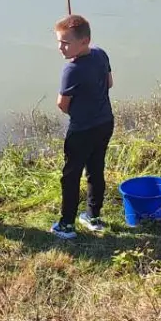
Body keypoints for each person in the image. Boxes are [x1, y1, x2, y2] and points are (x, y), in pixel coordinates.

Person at [51, 14, 114, 239]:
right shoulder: (101, 54)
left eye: (66, 42)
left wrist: (78, 114)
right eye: (59, 41)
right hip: (105, 123)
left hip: (82, 131)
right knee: (96, 170)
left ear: (84, 41)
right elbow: (109, 83)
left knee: (71, 176)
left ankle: (66, 225)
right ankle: (93, 216)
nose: (60, 47)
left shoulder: (71, 70)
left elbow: (62, 104)